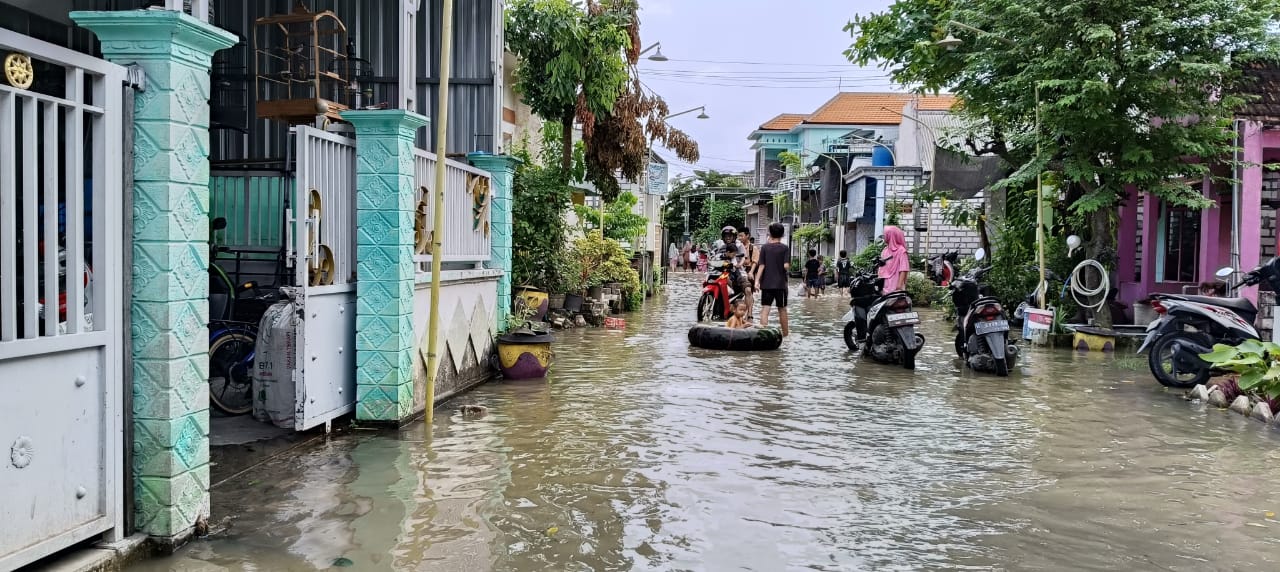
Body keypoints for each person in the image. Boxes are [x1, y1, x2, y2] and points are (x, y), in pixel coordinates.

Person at [754, 222, 791, 337]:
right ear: (782, 234)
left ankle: (763, 335)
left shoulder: (764, 248)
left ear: (770, 233)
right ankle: (786, 335)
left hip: (766, 284)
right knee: (782, 309)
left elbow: (761, 266)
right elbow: (786, 266)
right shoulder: (785, 248)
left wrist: (756, 281)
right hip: (781, 285)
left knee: (765, 309)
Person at [879, 225, 911, 292]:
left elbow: (904, 269)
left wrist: (899, 285)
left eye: (885, 234)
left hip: (896, 283)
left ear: (891, 236)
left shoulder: (901, 251)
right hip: (885, 283)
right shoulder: (885, 250)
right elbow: (881, 267)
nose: (884, 237)